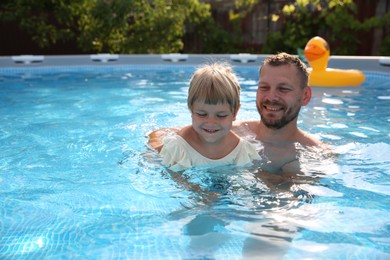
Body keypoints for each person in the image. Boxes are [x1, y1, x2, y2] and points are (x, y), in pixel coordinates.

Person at [149, 62, 260, 171]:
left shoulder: (241, 150)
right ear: (191, 110)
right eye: (202, 114)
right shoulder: (179, 148)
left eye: (221, 115)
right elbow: (177, 181)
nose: (211, 123)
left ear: (235, 113)